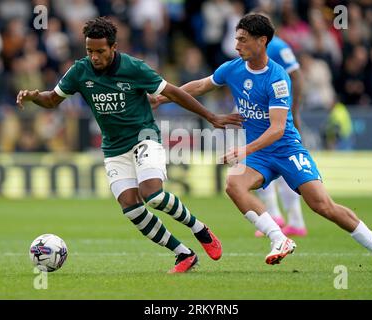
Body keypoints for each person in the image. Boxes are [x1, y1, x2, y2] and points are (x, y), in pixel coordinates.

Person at [155, 14, 372, 271]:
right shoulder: (232, 68)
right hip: (260, 153)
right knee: (234, 185)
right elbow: (200, 86)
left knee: (322, 206)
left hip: (286, 148)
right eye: (236, 39)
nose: (237, 45)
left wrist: (243, 150)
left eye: (243, 40)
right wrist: (162, 97)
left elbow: (278, 129)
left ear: (262, 41)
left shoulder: (278, 78)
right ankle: (279, 238)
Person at [16, 17, 244, 274]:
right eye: (89, 51)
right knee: (131, 208)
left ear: (114, 47)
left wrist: (211, 117)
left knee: (153, 195)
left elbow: (172, 92)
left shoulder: (134, 68)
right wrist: (35, 97)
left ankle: (200, 229)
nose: (94, 57)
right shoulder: (80, 71)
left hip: (144, 138)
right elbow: (52, 100)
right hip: (114, 148)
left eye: (100, 51)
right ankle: (184, 254)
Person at [254, 34, 307, 238]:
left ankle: (277, 216)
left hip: (274, 113)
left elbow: (297, 75)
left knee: (254, 162)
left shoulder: (277, 46)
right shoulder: (261, 51)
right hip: (269, 111)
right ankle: (292, 219)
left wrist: (295, 110)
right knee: (282, 165)